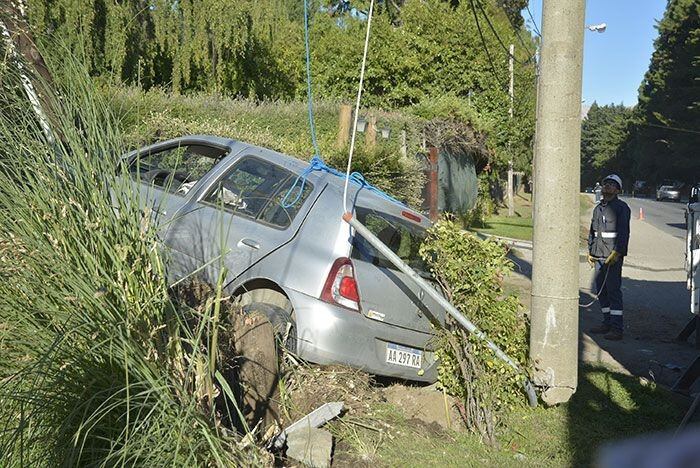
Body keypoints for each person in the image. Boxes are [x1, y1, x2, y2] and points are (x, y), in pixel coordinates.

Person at [587, 174, 631, 340]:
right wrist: (590, 250)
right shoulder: (597, 208)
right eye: (606, 184)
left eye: (613, 184)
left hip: (612, 256)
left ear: (618, 189)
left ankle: (616, 328)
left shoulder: (621, 208)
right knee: (601, 291)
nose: (608, 186)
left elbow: (624, 233)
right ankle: (606, 322)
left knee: (613, 291)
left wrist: (618, 252)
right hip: (598, 255)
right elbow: (593, 231)